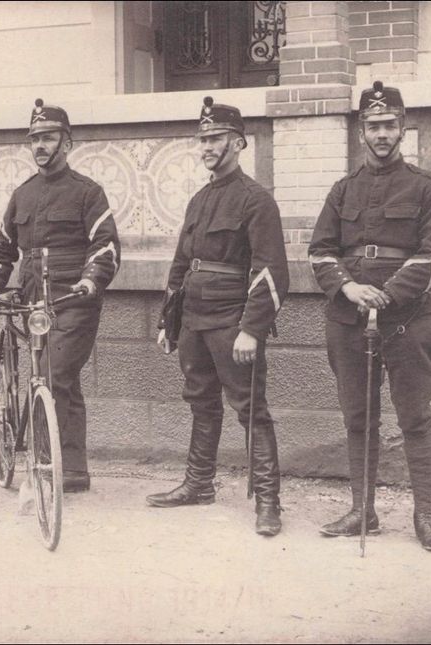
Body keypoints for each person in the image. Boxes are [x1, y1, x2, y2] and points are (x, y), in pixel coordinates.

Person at [308, 81, 431, 551]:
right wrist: (349, 287)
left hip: (408, 319)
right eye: (373, 126)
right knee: (357, 417)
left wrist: (387, 295)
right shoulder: (341, 190)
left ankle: (425, 517)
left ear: (403, 128)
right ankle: (361, 510)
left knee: (415, 416)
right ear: (361, 132)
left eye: (390, 124)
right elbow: (320, 251)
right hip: (348, 318)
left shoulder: (427, 187)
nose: (382, 134)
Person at [147, 97, 289, 536]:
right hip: (193, 319)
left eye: (215, 139)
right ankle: (198, 483)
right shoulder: (198, 200)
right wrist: (168, 323)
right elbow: (181, 264)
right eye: (203, 139)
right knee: (201, 403)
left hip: (232, 321)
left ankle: (268, 502)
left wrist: (252, 329)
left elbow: (271, 273)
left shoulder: (256, 200)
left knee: (251, 410)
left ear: (238, 143)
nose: (207, 147)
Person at [0, 98, 121, 493]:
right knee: (59, 381)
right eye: (34, 139)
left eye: (48, 138)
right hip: (32, 300)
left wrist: (91, 280)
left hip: (73, 301)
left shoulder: (88, 193)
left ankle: (45, 460)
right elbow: (2, 245)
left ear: (67, 143)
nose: (40, 145)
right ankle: (71, 468)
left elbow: (106, 246)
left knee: (56, 374)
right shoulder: (22, 195)